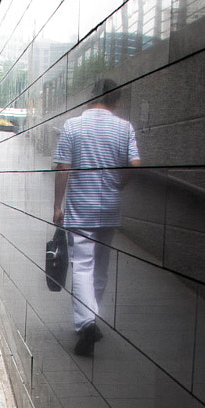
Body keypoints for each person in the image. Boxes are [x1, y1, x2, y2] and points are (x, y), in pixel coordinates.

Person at [53, 79, 141, 355]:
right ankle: (91, 318)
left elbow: (63, 167)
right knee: (100, 267)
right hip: (110, 206)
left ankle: (86, 322)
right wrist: (119, 184)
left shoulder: (73, 126)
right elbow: (135, 164)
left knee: (82, 264)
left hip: (81, 207)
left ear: (92, 98)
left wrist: (58, 205)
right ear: (116, 101)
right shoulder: (124, 127)